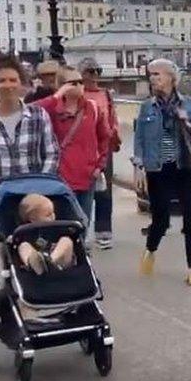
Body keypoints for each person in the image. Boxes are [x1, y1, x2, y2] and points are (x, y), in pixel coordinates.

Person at [133, 58, 191, 286]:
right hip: (158, 168)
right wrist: (138, 167)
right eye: (151, 75)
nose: (153, 78)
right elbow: (140, 139)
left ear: (171, 78)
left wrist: (188, 123)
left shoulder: (188, 104)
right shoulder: (147, 106)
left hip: (183, 166)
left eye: (157, 74)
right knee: (161, 219)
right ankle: (151, 249)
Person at [34, 66, 109, 238]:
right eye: (73, 83)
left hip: (87, 176)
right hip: (60, 178)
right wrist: (57, 96)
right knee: (62, 225)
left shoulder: (92, 108)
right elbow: (30, 111)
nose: (79, 86)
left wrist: (100, 165)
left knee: (82, 223)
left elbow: (104, 137)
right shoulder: (51, 109)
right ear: (62, 86)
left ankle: (81, 257)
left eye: (81, 82)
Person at [0, 56, 58, 188]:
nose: (8, 85)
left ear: (21, 84)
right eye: (2, 81)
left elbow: (51, 153)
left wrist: (41, 182)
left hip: (32, 195)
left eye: (13, 80)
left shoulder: (38, 115)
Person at [80, 57, 120, 250]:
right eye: (90, 71)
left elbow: (113, 118)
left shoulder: (106, 94)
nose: (94, 75)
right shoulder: (77, 93)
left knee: (104, 191)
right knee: (80, 190)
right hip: (81, 149)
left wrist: (113, 136)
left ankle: (104, 231)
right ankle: (80, 232)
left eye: (97, 71)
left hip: (103, 148)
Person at [16, 194, 75, 275]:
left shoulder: (58, 227)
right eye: (48, 215)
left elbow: (70, 233)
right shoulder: (27, 231)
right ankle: (32, 264)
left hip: (60, 261)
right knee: (23, 246)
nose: (53, 216)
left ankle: (49, 261)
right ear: (33, 219)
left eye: (53, 212)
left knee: (66, 240)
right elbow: (18, 240)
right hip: (37, 261)